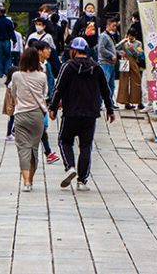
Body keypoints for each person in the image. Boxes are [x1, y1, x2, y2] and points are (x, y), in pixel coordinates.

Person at [49, 36, 115, 191]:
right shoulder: (97, 67)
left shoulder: (68, 66)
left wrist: (52, 107)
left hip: (71, 112)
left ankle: (70, 167)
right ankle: (82, 180)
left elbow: (58, 88)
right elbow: (106, 90)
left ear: (73, 50)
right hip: (90, 114)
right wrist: (110, 110)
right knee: (86, 146)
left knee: (64, 141)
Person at [9, 44, 48, 192]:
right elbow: (44, 94)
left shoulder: (16, 76)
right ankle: (31, 179)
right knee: (34, 148)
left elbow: (13, 93)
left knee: (23, 149)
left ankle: (26, 182)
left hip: (21, 115)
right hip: (37, 115)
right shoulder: (42, 76)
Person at [35, 41, 59, 164]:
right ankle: (47, 152)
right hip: (36, 101)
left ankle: (47, 152)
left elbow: (51, 80)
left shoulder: (47, 65)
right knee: (41, 127)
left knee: (42, 127)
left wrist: (54, 96)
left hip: (45, 99)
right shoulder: (33, 66)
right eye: (46, 49)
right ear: (39, 51)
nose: (49, 51)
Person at [117, 29, 144, 110]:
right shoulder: (124, 42)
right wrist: (122, 42)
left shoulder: (138, 43)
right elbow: (117, 47)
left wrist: (132, 48)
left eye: (131, 36)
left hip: (134, 61)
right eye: (129, 35)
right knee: (124, 81)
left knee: (136, 81)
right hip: (125, 61)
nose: (130, 37)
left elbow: (138, 54)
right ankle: (125, 101)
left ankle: (137, 101)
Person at [96, 17, 119, 106]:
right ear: (108, 26)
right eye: (113, 26)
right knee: (104, 84)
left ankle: (110, 102)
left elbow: (111, 49)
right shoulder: (103, 36)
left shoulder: (111, 36)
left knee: (111, 85)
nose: (114, 28)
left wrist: (117, 53)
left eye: (115, 26)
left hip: (111, 64)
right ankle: (99, 103)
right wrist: (111, 55)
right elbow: (101, 49)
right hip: (105, 63)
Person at [0, 6, 16, 77]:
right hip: (6, 40)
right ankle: (7, 71)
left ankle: (0, 73)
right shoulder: (9, 22)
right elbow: (12, 32)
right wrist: (14, 41)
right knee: (8, 57)